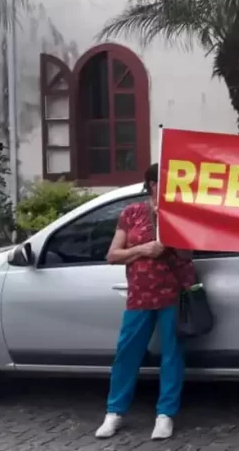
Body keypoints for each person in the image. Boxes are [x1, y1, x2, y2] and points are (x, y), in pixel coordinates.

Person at [95, 163, 197, 441]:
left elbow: (188, 256)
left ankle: (165, 414)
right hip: (139, 295)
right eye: (166, 181)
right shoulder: (132, 214)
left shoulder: (179, 213)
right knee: (127, 352)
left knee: (172, 354)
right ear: (153, 184)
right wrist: (143, 249)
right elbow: (113, 255)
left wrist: (172, 233)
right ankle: (114, 412)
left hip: (172, 294)